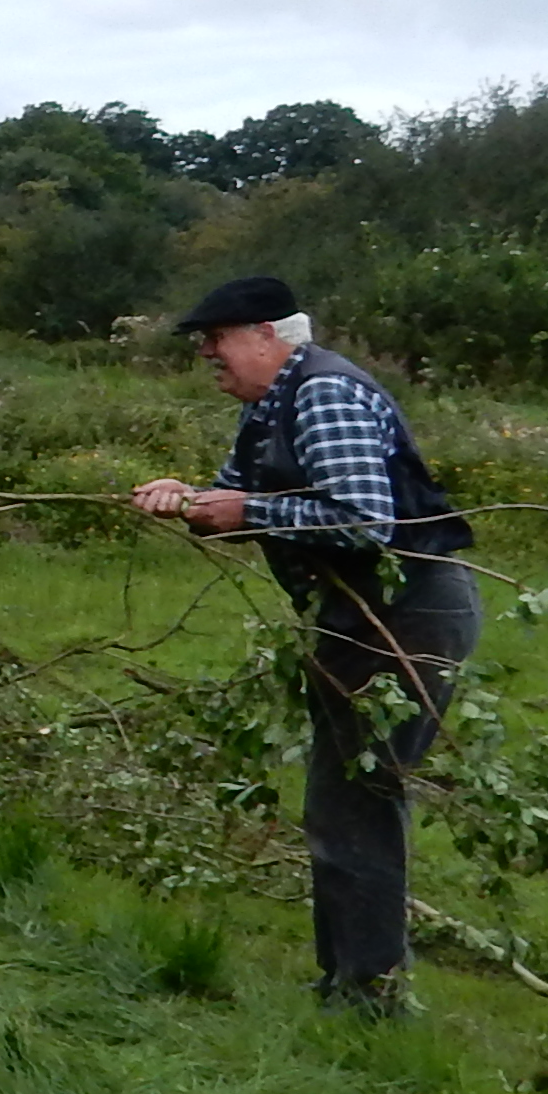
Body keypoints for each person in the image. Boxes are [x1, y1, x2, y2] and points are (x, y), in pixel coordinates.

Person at [132, 274, 480, 1016]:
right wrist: (182, 499)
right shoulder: (269, 408)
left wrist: (247, 507)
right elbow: (233, 501)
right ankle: (347, 984)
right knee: (339, 801)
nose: (206, 356)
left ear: (266, 335)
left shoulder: (322, 393)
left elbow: (363, 520)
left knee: (359, 801)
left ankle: (369, 999)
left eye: (215, 340)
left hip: (404, 617)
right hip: (354, 618)